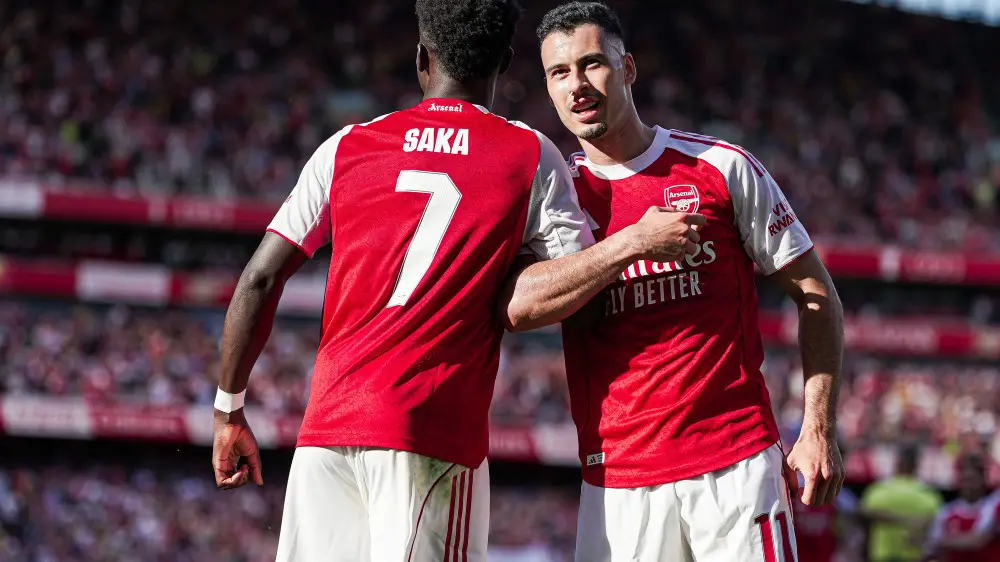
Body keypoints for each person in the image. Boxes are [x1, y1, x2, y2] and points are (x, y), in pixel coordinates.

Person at [210, 1, 703, 561]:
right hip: (431, 437)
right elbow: (584, 304)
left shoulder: (347, 146)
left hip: (325, 435)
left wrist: (229, 411)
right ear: (506, 63)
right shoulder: (528, 153)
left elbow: (259, 278)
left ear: (422, 58)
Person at [530, 2, 846, 560]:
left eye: (592, 64)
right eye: (559, 72)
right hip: (617, 480)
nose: (577, 85)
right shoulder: (554, 196)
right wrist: (632, 243)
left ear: (628, 68)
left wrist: (817, 426)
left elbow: (816, 294)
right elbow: (518, 306)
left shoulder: (721, 167)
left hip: (735, 466)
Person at [860, 445, 943, 562]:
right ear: (916, 465)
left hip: (882, 555)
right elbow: (935, 527)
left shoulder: (879, 490)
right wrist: (909, 521)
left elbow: (864, 513)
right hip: (913, 556)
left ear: (896, 464)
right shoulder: (929, 495)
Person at [923, 454, 991, 562]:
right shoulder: (947, 511)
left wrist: (942, 541)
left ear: (983, 480)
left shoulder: (990, 508)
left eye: (972, 480)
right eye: (964, 480)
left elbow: (977, 540)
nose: (968, 485)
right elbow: (932, 548)